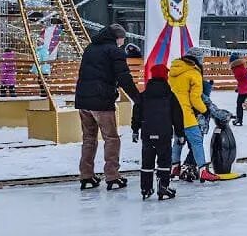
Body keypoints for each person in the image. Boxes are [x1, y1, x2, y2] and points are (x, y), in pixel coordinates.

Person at [74, 24, 142, 190]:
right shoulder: (114, 51)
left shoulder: (90, 48)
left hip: (83, 100)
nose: (122, 42)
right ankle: (112, 176)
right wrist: (138, 98)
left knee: (88, 138)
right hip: (102, 101)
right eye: (122, 39)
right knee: (111, 138)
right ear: (117, 37)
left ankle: (86, 175)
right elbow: (124, 77)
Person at [131, 63, 183, 200]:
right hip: (164, 134)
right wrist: (180, 133)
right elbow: (177, 116)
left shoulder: (143, 96)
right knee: (164, 162)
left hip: (147, 134)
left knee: (147, 162)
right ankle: (163, 187)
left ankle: (146, 188)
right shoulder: (170, 96)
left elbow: (136, 113)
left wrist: (135, 130)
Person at [168, 47, 220, 181]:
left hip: (172, 114)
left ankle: (175, 167)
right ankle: (203, 170)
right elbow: (195, 98)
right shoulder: (194, 72)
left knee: (178, 140)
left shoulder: (173, 71)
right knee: (197, 141)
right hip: (186, 113)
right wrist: (205, 110)